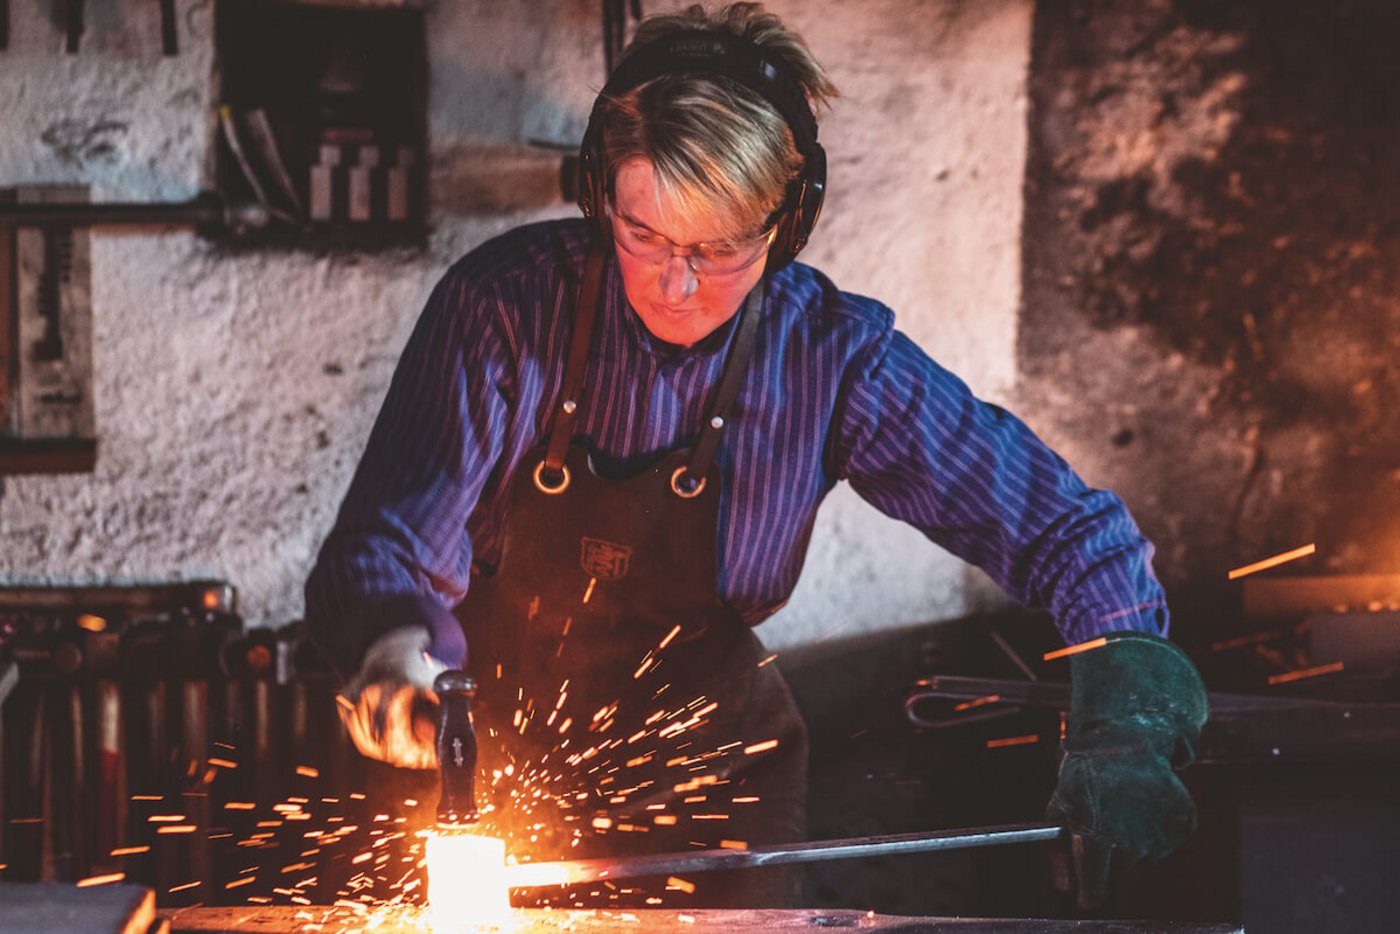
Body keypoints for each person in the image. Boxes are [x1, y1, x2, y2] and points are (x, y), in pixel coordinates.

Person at [305, 1, 1206, 911]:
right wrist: (391, 650)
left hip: (716, 776)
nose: (675, 284)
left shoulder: (830, 356)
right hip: (477, 766)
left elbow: (1065, 530)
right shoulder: (502, 311)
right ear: (598, 193)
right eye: (642, 233)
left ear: (787, 222)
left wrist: (1125, 704)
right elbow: (388, 542)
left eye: (719, 248)